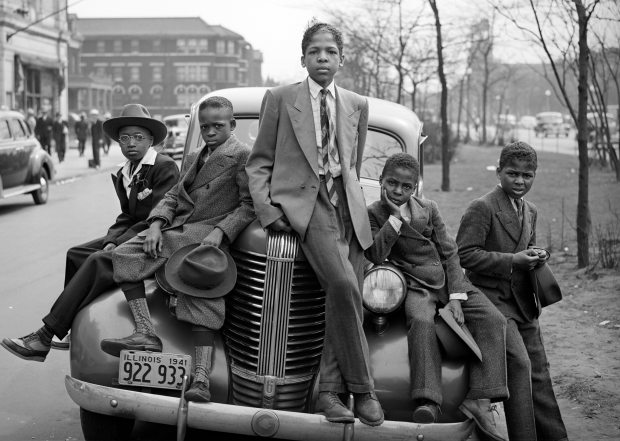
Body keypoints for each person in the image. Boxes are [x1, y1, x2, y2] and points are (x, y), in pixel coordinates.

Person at [245, 22, 383, 426]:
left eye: (330, 52)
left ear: (341, 58)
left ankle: (327, 393)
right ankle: (364, 390)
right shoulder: (281, 98)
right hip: (308, 204)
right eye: (314, 52)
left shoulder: (357, 103)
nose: (322, 58)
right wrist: (271, 213)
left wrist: (353, 200)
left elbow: (353, 166)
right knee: (342, 285)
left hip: (349, 209)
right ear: (303, 58)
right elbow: (259, 163)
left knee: (345, 299)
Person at [99, 96, 254, 403]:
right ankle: (145, 331)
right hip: (178, 230)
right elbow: (173, 195)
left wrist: (221, 233)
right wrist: (155, 223)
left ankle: (201, 379)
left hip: (208, 235)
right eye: (205, 126)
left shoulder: (242, 155)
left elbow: (249, 205)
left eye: (218, 126)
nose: (210, 132)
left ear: (232, 125)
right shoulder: (196, 155)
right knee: (125, 253)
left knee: (202, 292)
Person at [1, 104, 179, 362]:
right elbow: (127, 216)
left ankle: (44, 336)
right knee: (76, 254)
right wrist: (111, 240)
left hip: (155, 239)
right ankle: (72, 325)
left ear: (151, 140)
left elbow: (159, 216)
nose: (131, 144)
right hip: (132, 233)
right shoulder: (124, 171)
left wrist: (115, 243)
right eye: (125, 138)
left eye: (139, 137)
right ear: (118, 142)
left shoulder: (164, 166)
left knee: (98, 261)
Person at [365, 153, 507, 439]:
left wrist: (456, 295)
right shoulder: (373, 213)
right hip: (414, 283)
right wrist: (394, 220)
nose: (398, 191)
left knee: (493, 318)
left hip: (446, 280)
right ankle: (428, 398)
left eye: (406, 186)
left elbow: (450, 252)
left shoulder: (429, 208)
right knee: (420, 321)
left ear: (415, 187)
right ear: (381, 181)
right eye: (392, 183)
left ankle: (480, 398)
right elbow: (375, 254)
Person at [456, 142, 568, 441]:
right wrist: (512, 261)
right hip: (489, 300)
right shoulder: (482, 207)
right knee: (519, 363)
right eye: (513, 174)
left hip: (522, 301)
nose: (520, 181)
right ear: (499, 172)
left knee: (539, 370)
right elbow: (464, 255)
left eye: (527, 175)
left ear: (535, 175)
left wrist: (536, 254)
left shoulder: (530, 210)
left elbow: (526, 244)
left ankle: (555, 436)